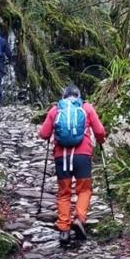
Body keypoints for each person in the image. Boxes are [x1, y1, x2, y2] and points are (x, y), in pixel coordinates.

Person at [37, 85, 107, 246]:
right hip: (82, 156)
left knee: (64, 193)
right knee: (84, 189)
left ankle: (64, 229)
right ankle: (79, 219)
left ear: (64, 96)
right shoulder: (86, 107)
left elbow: (44, 133)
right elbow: (100, 131)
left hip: (62, 156)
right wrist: (101, 141)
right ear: (78, 96)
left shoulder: (55, 109)